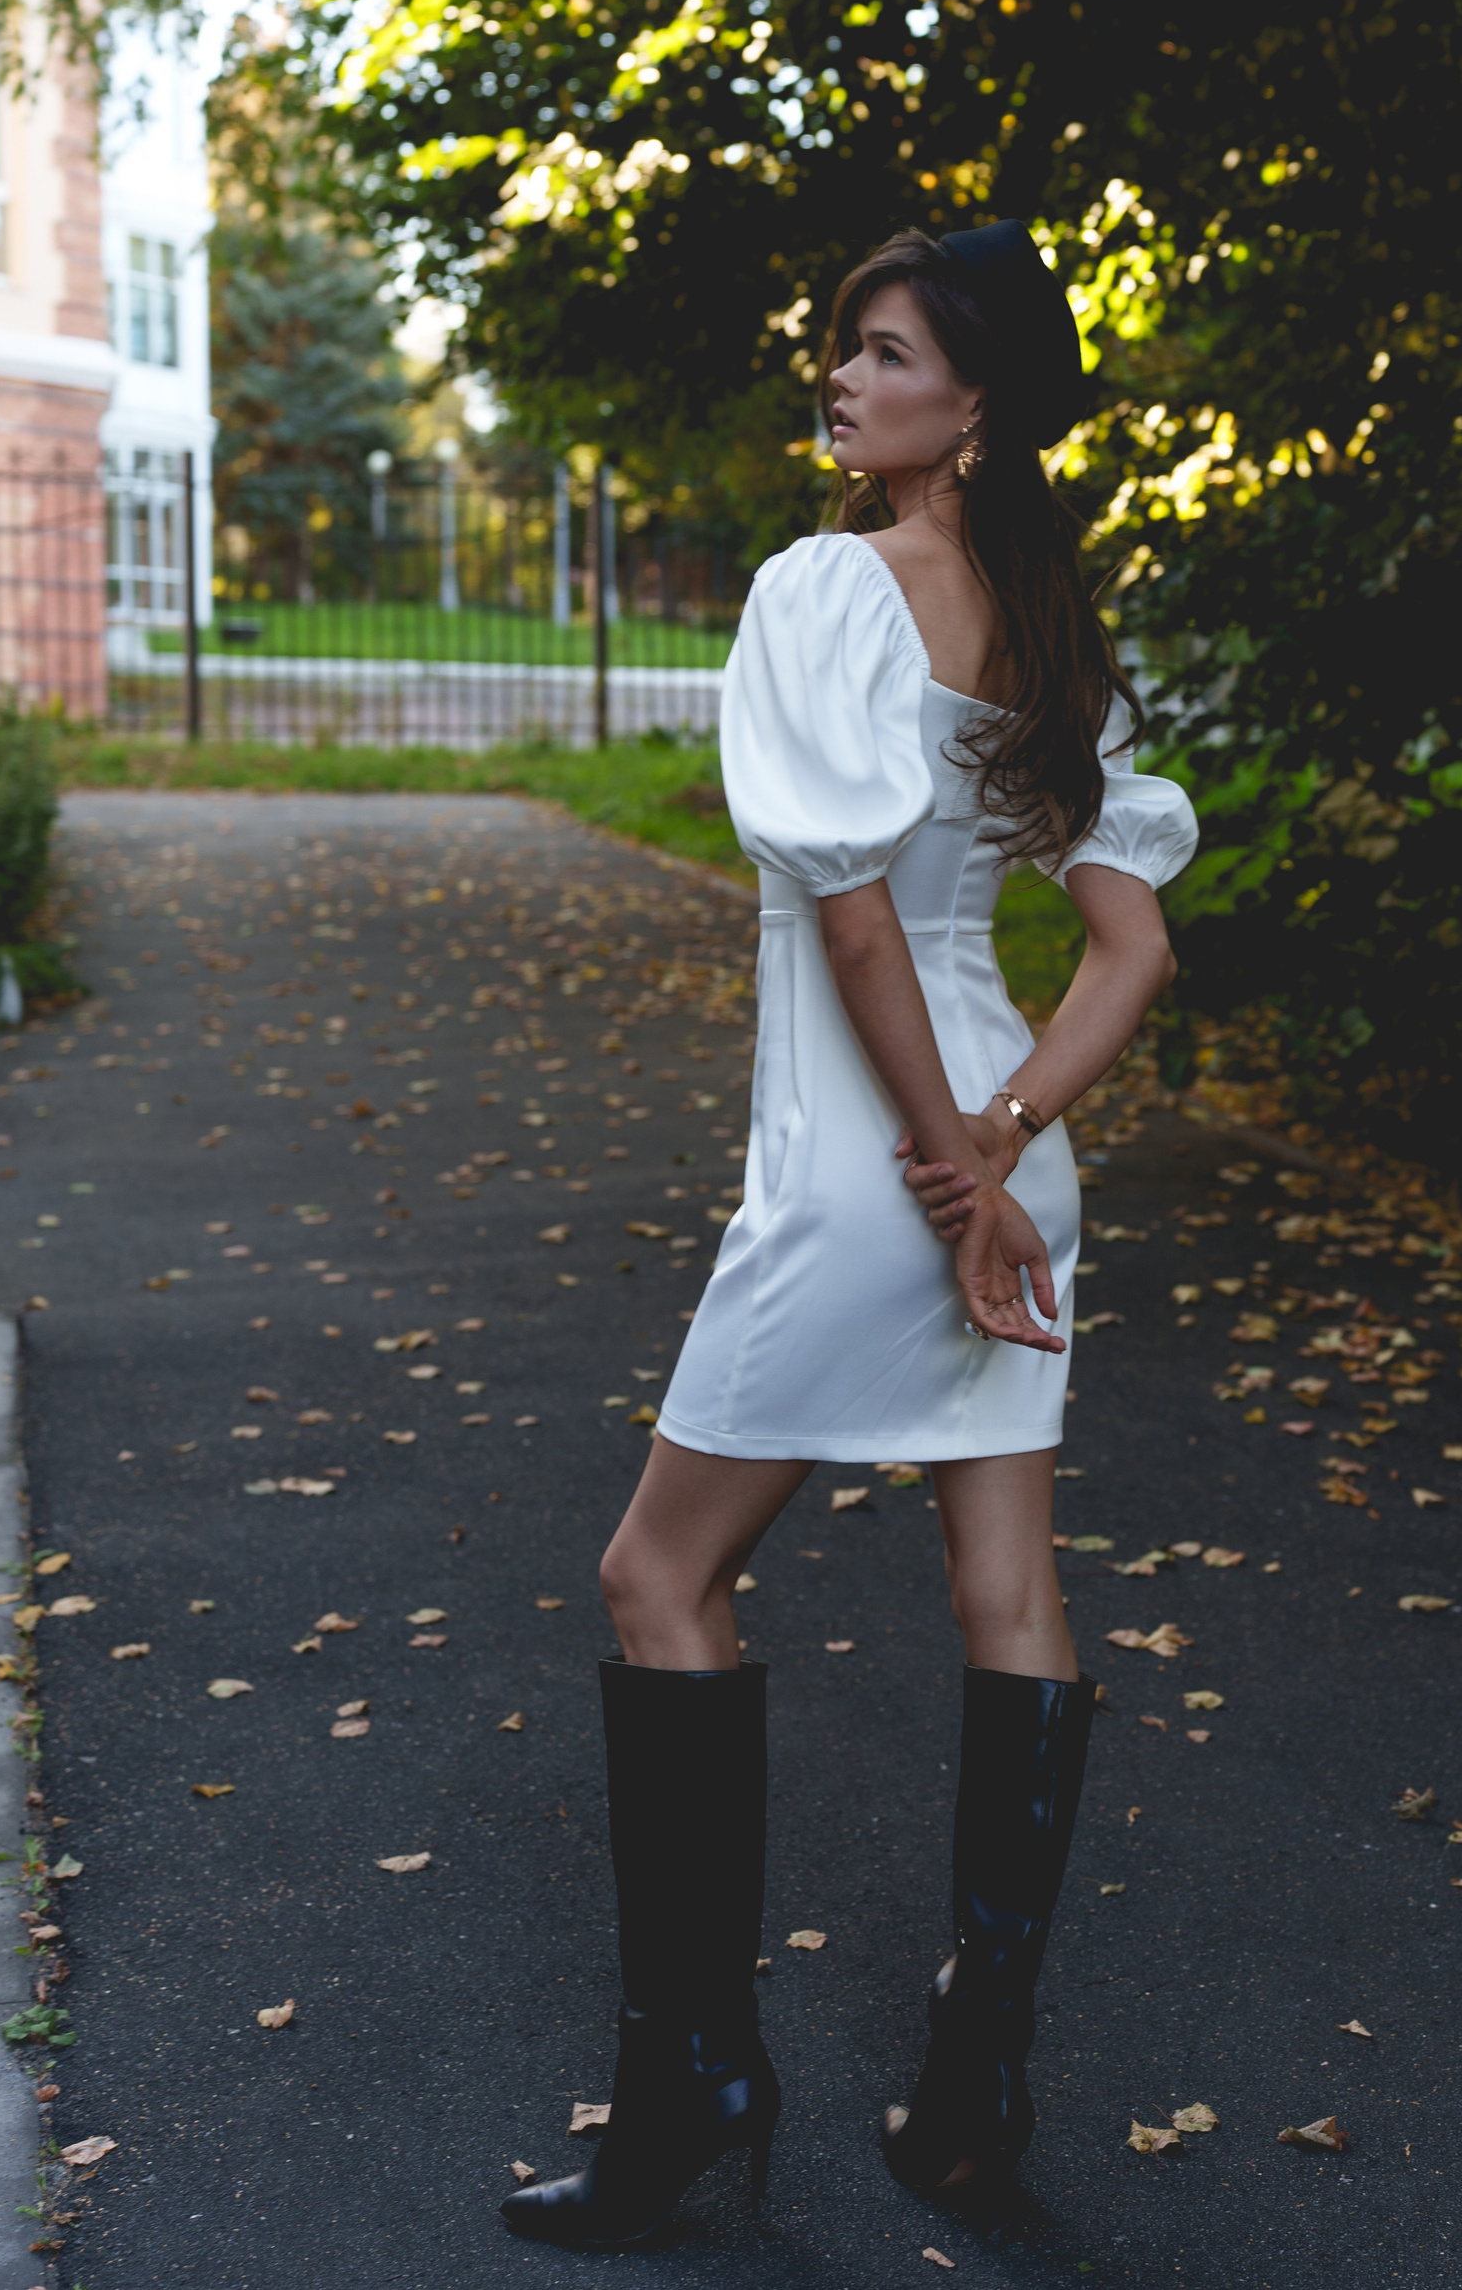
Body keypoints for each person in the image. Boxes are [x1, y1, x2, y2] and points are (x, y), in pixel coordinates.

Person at [500, 219, 1198, 2250]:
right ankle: (974, 2088)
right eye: (843, 345)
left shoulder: (825, 585)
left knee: (658, 1569)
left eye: (888, 352)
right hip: (989, 1153)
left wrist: (945, 1172)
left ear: (976, 401)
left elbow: (855, 916)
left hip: (869, 1171)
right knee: (1009, 1586)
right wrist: (1008, 1141)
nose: (846, 376)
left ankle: (690, 2082)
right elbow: (1130, 950)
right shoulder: (1049, 626)